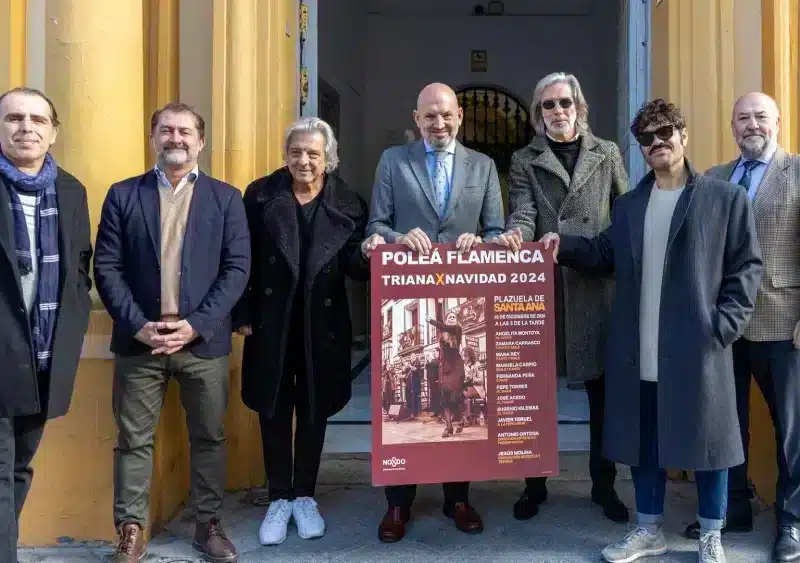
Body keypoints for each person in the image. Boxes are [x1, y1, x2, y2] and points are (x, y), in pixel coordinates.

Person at [540, 99, 762, 562]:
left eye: (665, 132)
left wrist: (723, 327)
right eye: (647, 137)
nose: (658, 142)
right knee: (644, 440)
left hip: (700, 343)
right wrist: (563, 246)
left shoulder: (724, 198)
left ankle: (710, 535)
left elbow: (746, 267)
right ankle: (648, 530)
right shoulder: (629, 205)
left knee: (709, 441)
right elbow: (604, 253)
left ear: (683, 135)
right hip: (638, 343)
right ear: (640, 148)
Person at [93, 102, 250, 563]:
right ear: (153, 138)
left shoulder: (226, 199)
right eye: (166, 130)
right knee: (133, 440)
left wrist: (196, 325)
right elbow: (106, 267)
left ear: (201, 142)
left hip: (202, 343)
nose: (175, 138)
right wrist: (138, 325)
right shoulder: (123, 195)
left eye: (185, 131)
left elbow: (237, 269)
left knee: (209, 436)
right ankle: (131, 528)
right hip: (139, 341)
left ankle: (209, 523)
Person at [233, 117, 383, 546]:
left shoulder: (349, 203)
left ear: (328, 158)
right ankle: (279, 496)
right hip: (271, 321)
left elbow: (354, 268)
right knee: (273, 407)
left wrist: (368, 254)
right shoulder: (260, 196)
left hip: (324, 324)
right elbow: (242, 256)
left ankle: (305, 496)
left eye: (313, 153)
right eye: (296, 151)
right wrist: (241, 311)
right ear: (286, 155)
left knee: (314, 409)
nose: (304, 160)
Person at [367, 81, 504, 542]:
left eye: (445, 115)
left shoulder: (483, 166)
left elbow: (498, 229)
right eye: (429, 116)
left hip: (464, 290)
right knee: (412, 414)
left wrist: (481, 240)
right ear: (416, 118)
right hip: (407, 284)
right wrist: (398, 238)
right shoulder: (393, 161)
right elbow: (377, 225)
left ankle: (458, 499)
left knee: (455, 402)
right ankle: (398, 505)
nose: (438, 123)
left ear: (460, 116)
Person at [495, 71, 630, 523]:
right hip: (544, 291)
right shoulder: (524, 159)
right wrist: (517, 234)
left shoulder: (607, 152)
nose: (557, 112)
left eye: (564, 103)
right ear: (538, 114)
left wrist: (599, 252)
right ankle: (534, 486)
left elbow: (624, 210)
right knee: (534, 393)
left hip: (597, 286)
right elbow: (524, 210)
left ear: (579, 108)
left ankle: (603, 485)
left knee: (602, 395)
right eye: (548, 105)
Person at [683, 92, 800, 562]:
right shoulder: (713, 178)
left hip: (782, 321)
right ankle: (732, 510)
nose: (752, 125)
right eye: (742, 118)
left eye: (760, 117)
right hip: (723, 328)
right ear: (732, 127)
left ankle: (792, 523)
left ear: (777, 123)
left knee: (791, 431)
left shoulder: (797, 173)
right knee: (725, 426)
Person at [0, 87, 92, 563]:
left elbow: (80, 264)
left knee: (20, 463)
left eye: (38, 119)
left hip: (44, 352)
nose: (26, 127)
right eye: (14, 118)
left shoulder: (71, 190)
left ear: (53, 132)